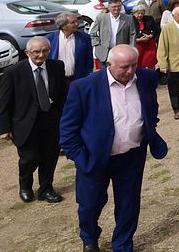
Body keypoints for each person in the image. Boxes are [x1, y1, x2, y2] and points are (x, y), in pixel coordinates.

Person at [60, 44, 168, 252]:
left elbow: (151, 107)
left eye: (134, 65)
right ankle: (89, 237)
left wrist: (149, 125)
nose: (130, 71)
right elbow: (67, 131)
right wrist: (82, 159)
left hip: (131, 157)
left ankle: (123, 244)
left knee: (128, 205)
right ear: (108, 65)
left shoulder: (145, 78)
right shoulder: (84, 87)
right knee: (90, 205)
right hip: (95, 159)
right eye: (124, 67)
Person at [0, 36, 67, 204]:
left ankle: (46, 189)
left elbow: (62, 94)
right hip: (25, 123)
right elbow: (4, 102)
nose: (41, 55)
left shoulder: (57, 66)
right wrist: (3, 128)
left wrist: (65, 118)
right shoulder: (13, 72)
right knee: (30, 157)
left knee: (50, 156)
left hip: (50, 120)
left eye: (45, 51)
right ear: (27, 52)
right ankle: (25, 186)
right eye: (36, 52)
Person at [48, 11, 93, 84]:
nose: (77, 24)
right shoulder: (50, 39)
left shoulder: (84, 38)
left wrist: (86, 75)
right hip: (57, 81)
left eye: (76, 21)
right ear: (63, 26)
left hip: (77, 79)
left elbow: (89, 59)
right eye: (73, 22)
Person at [90, 0, 136, 66]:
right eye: (114, 7)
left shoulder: (128, 18)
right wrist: (97, 44)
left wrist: (131, 48)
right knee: (105, 75)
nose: (116, 9)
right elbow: (93, 33)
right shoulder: (101, 18)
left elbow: (132, 34)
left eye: (118, 6)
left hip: (121, 53)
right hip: (104, 53)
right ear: (109, 7)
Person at [130, 4, 158, 69]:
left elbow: (155, 30)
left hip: (149, 44)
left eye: (142, 13)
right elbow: (129, 35)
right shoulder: (130, 20)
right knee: (138, 62)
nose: (140, 15)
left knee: (151, 61)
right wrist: (139, 39)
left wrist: (150, 36)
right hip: (137, 44)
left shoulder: (149, 18)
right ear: (134, 13)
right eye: (138, 13)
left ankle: (151, 74)